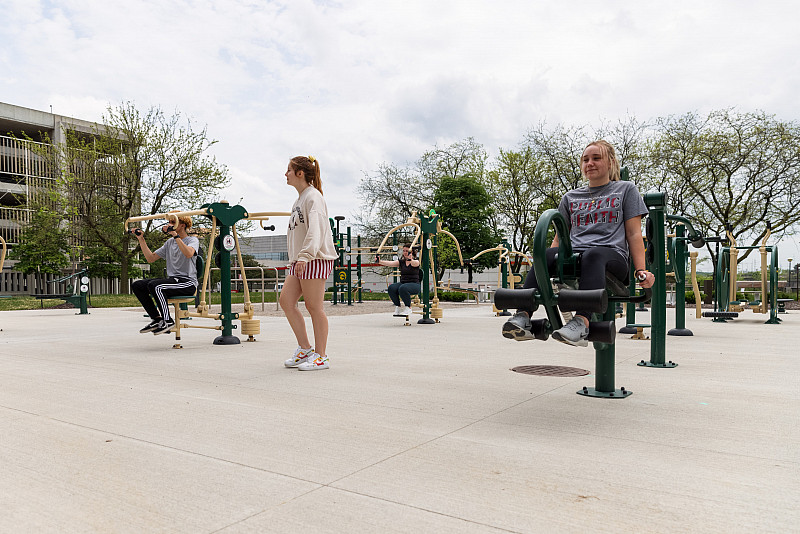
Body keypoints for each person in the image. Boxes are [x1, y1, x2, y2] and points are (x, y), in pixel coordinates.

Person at [502, 140, 655, 347]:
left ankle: (582, 321)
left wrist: (641, 270)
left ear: (610, 162)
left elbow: (634, 233)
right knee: (547, 254)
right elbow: (560, 237)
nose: (590, 163)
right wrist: (551, 258)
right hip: (575, 256)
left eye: (596, 158)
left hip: (612, 256)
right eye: (585, 159)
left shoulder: (625, 190)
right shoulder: (571, 197)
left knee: (593, 254)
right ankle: (522, 316)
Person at [280, 155, 338, 371]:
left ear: (300, 173)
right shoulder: (299, 199)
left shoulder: (314, 198)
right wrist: (296, 259)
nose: (285, 174)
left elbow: (316, 230)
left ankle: (321, 356)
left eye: (288, 170)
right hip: (300, 260)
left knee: (314, 307)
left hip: (314, 257)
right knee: (286, 301)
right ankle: (305, 348)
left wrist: (305, 256)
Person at [131, 214, 200, 335]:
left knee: (156, 286)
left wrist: (175, 236)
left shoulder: (192, 240)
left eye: (173, 222)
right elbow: (150, 258)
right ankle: (157, 319)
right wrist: (141, 239)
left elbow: (188, 254)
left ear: (182, 225)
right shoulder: (169, 243)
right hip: (174, 280)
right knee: (138, 285)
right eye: (169, 222)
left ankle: (167, 320)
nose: (169, 225)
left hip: (187, 283)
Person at [376, 243, 421, 316]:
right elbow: (390, 263)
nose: (405, 252)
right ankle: (398, 307)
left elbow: (415, 263)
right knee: (391, 288)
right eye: (404, 251)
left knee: (403, 288)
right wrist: (380, 261)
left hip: (414, 285)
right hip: (403, 283)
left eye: (406, 251)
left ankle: (408, 307)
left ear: (411, 252)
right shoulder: (402, 262)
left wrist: (410, 259)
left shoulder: (416, 261)